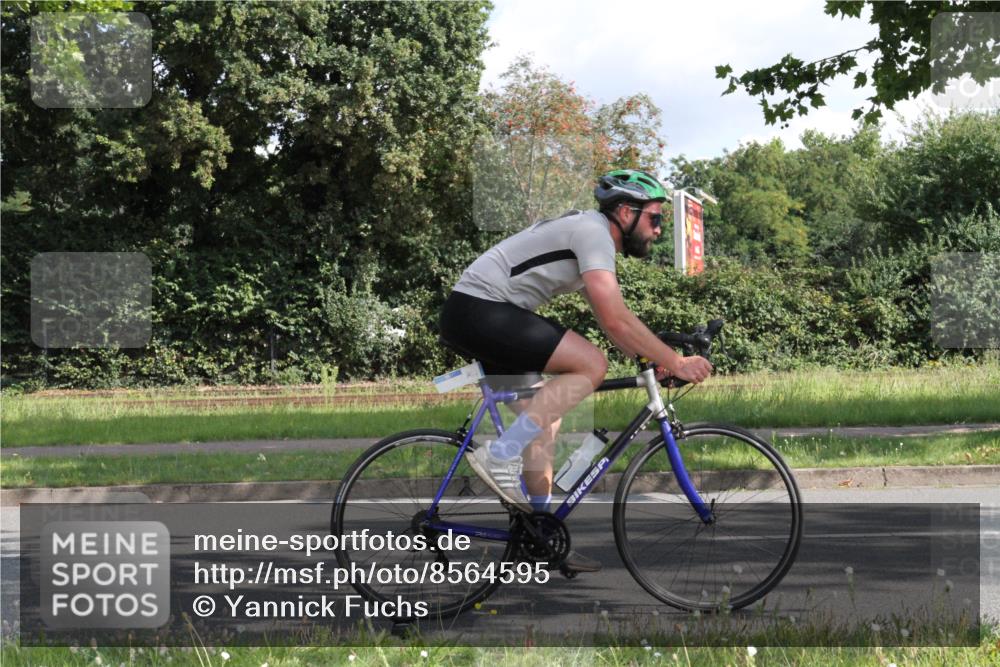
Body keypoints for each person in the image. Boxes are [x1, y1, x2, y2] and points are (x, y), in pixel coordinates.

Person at [438, 169, 713, 572]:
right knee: (591, 364)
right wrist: (675, 361)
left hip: (478, 313)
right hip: (481, 310)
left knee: (543, 423)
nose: (657, 230)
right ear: (624, 211)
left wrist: (654, 361)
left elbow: (610, 320)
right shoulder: (593, 233)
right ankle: (499, 456)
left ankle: (540, 536)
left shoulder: (590, 237)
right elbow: (618, 320)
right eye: (654, 218)